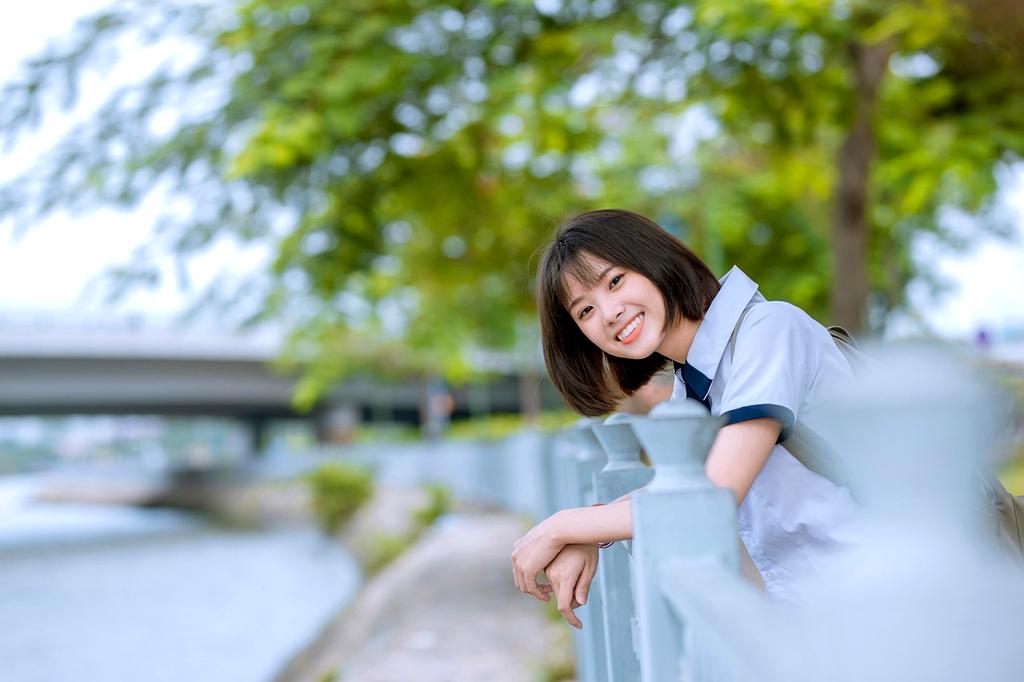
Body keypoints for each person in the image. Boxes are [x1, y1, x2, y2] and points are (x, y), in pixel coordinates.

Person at [511, 209, 858, 628]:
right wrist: (588, 532)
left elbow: (711, 494)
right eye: (584, 311)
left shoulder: (768, 331)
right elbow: (676, 492)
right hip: (823, 620)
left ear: (654, 260)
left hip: (887, 605)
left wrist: (566, 525)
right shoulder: (691, 389)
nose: (608, 313)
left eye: (615, 281)